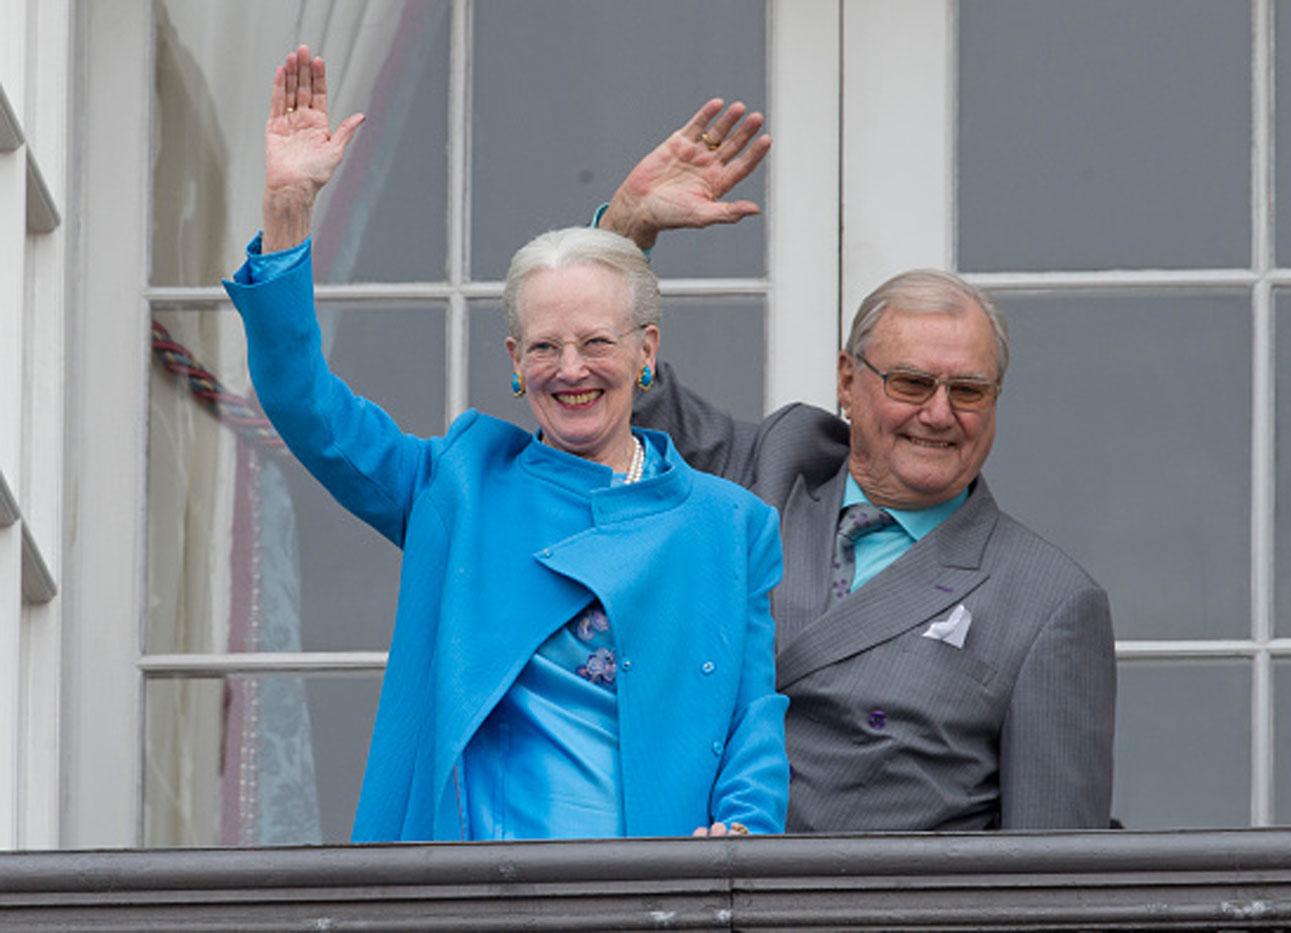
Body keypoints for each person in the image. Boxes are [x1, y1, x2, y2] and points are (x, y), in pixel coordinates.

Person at [221, 47, 788, 842]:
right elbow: (303, 401)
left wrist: (743, 830)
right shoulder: (458, 483)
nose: (572, 369)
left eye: (596, 341)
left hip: (649, 889)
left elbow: (752, 713)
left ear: (645, 351)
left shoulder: (729, 524)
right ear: (514, 364)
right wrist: (287, 211)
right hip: (472, 887)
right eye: (544, 348)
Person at [596, 101, 1117, 831]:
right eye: (910, 383)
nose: (938, 414)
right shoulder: (766, 472)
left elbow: (1053, 870)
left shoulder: (1047, 601)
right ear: (848, 381)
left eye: (967, 390)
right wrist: (627, 229)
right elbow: (608, 396)